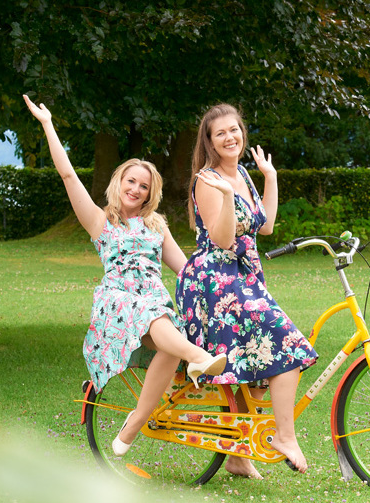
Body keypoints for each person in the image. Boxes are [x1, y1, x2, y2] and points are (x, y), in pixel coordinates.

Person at [23, 94, 226, 456]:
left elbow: (186, 270)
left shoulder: (155, 225)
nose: (135, 189)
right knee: (160, 319)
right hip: (119, 304)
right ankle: (198, 357)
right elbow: (68, 175)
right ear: (118, 182)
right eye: (130, 181)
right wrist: (48, 125)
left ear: (151, 193)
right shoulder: (99, 221)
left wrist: (227, 271)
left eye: (144, 186)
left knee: (169, 334)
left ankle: (132, 426)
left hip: (153, 305)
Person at [175, 103, 318, 475]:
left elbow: (265, 226)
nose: (229, 137)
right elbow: (222, 240)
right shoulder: (206, 180)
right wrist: (224, 197)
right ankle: (285, 435)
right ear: (209, 141)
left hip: (244, 275)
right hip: (215, 280)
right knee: (289, 346)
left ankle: (237, 457)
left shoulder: (243, 173)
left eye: (234, 130)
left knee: (250, 368)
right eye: (220, 133)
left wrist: (269, 176)